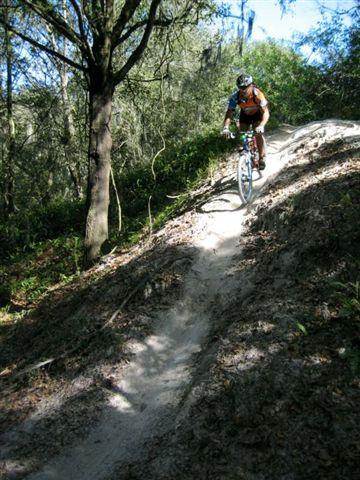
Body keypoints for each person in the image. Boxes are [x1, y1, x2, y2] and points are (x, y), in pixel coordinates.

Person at [222, 73, 270, 170]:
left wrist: (262, 125)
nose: (243, 89)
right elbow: (229, 113)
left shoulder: (258, 94)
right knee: (242, 134)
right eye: (240, 87)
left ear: (251, 85)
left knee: (257, 132)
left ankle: (261, 158)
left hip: (257, 114)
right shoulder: (235, 97)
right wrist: (226, 127)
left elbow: (266, 113)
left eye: (245, 87)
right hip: (245, 115)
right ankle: (247, 154)